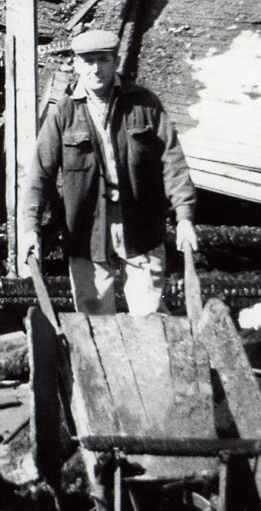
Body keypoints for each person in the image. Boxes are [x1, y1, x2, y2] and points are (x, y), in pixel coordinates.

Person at [19, 28, 197, 315]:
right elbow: (40, 175)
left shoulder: (145, 105)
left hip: (141, 226)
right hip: (87, 231)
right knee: (94, 319)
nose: (95, 69)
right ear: (76, 65)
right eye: (88, 61)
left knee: (149, 316)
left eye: (103, 60)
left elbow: (173, 161)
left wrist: (184, 217)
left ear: (115, 61)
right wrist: (31, 228)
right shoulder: (63, 114)